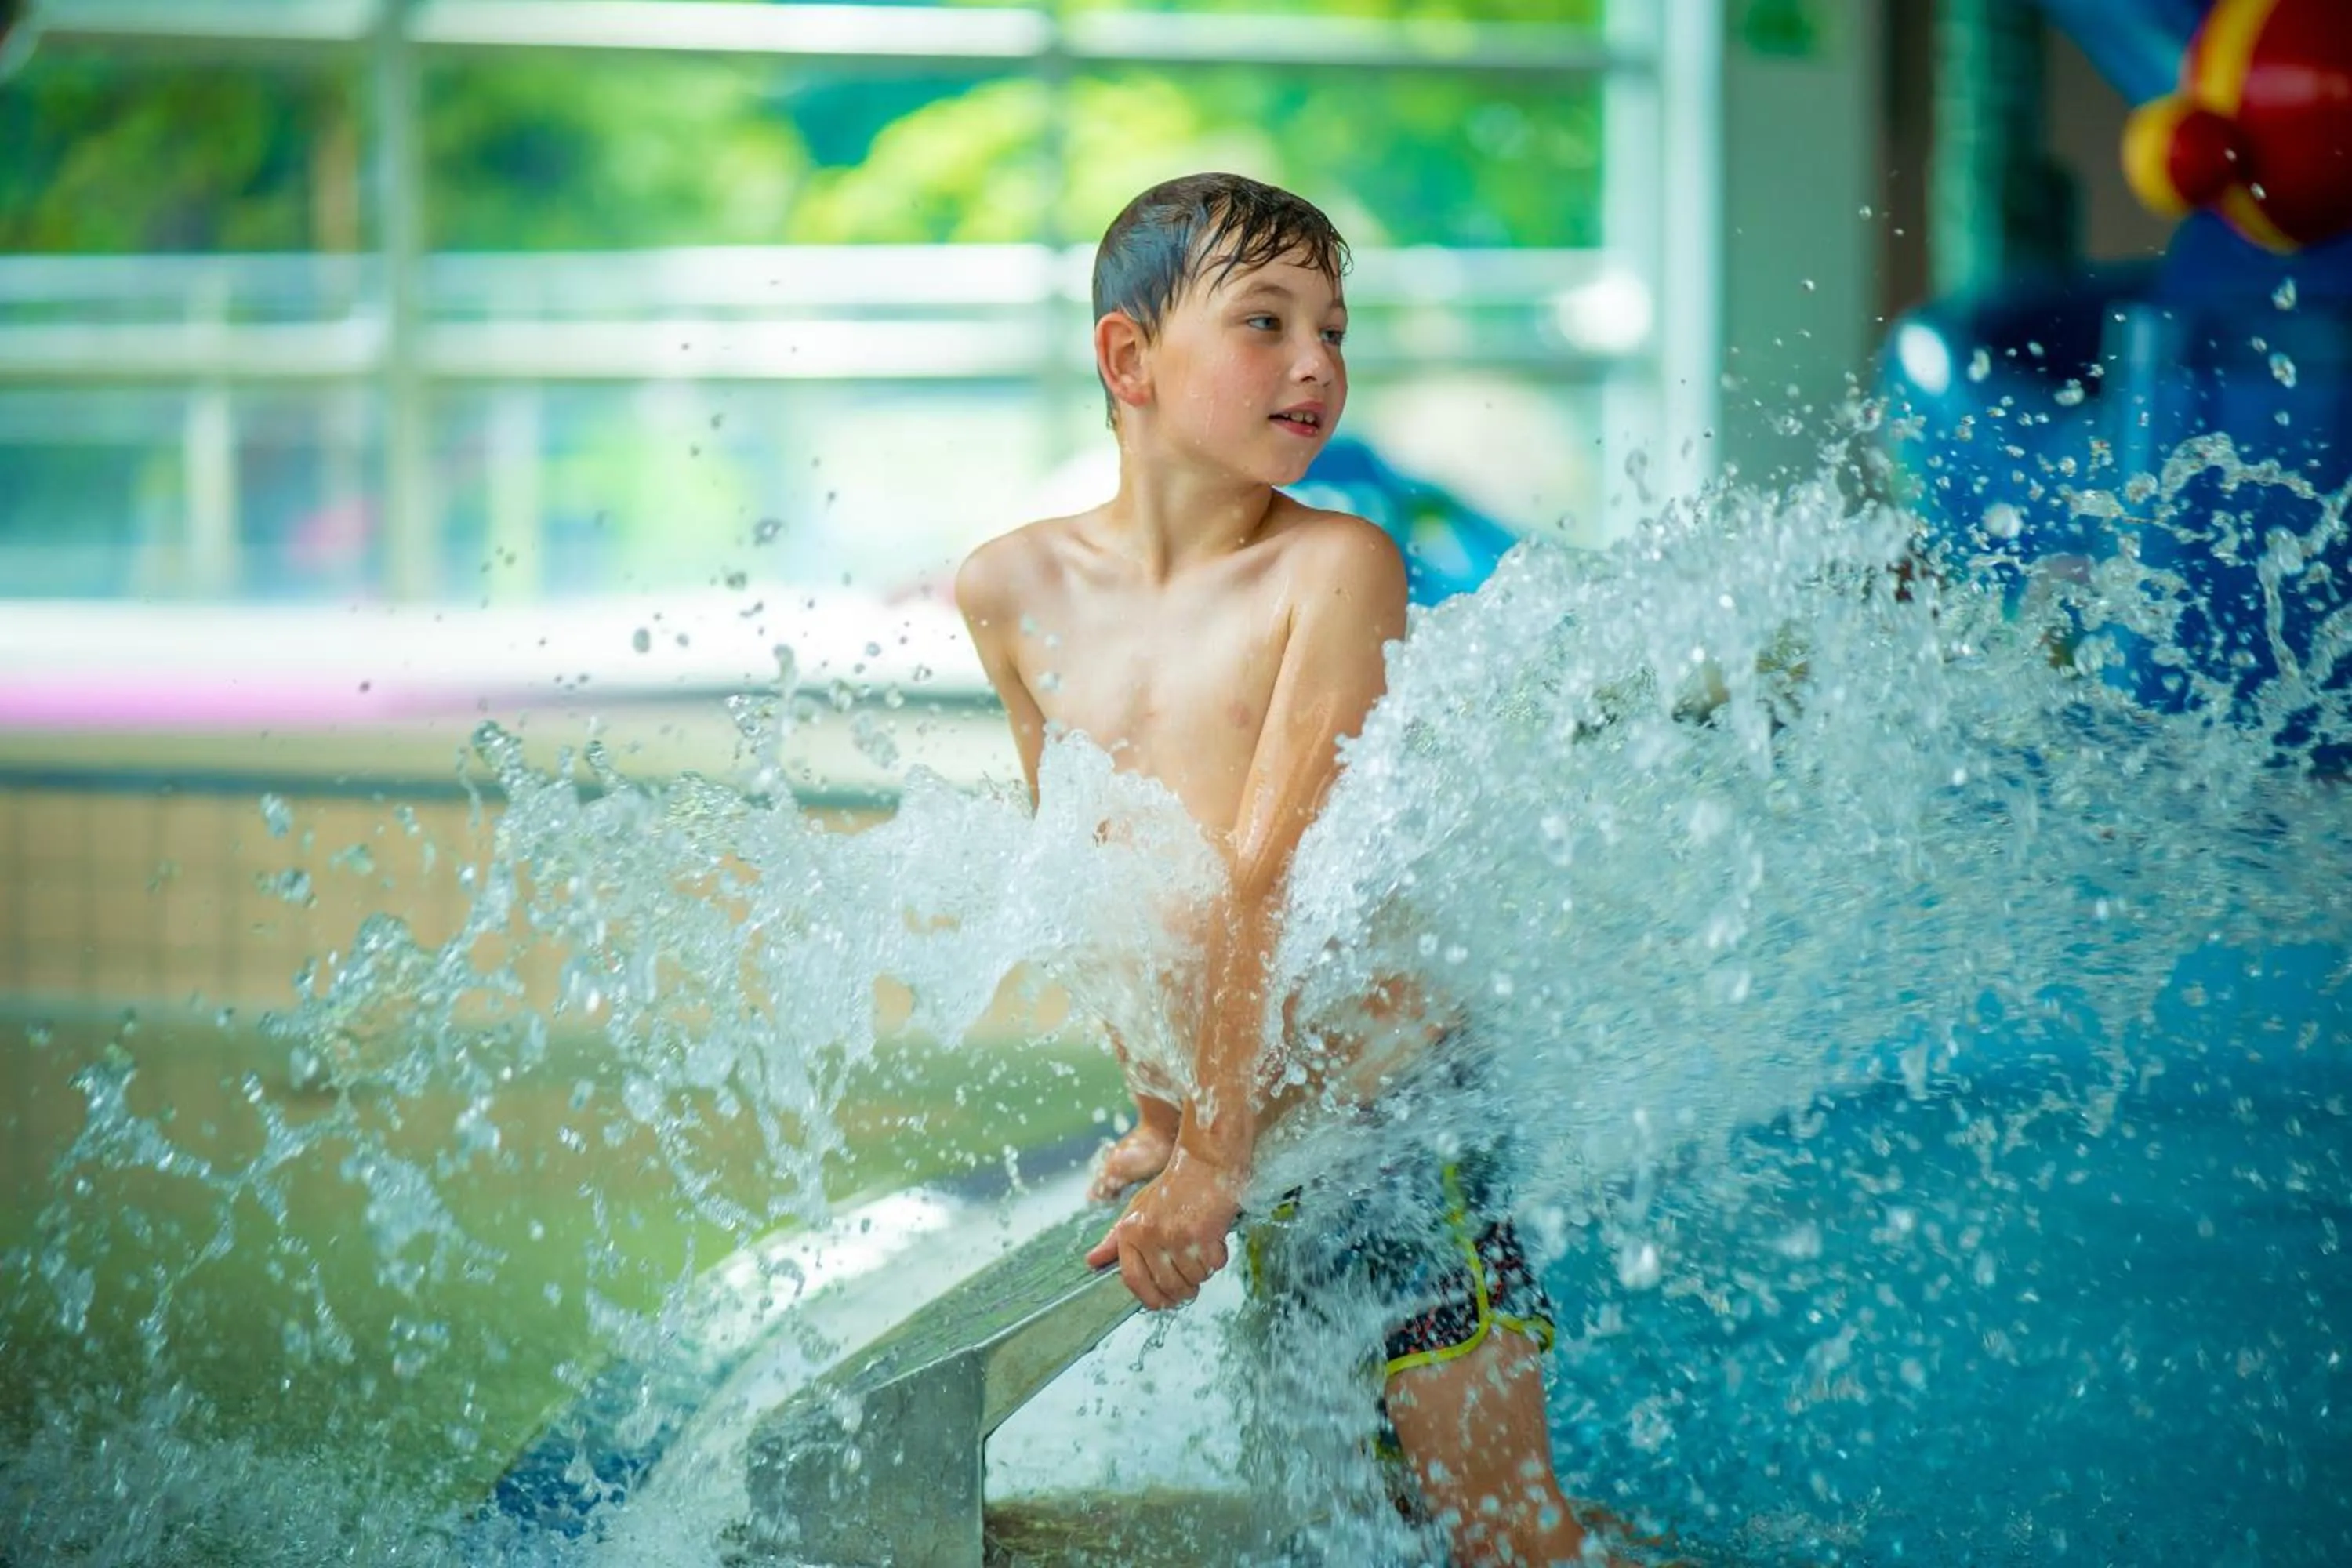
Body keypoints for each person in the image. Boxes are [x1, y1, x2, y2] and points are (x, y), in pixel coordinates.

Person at [955, 172, 1632, 1566]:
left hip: (1402, 1116)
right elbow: (1086, 867)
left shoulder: (1336, 567)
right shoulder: (1010, 590)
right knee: (1375, 1513)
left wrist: (1210, 1156)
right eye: (1266, 323)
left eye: (1334, 326)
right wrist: (1161, 1113)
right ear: (1128, 358)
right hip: (1266, 1123)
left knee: (1498, 1525)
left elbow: (1271, 870)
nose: (1318, 361)